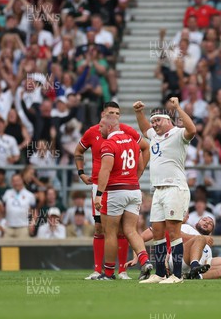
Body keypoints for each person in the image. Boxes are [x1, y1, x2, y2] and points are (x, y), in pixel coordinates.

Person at [75, 101, 150, 280]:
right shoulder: (95, 132)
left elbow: (106, 169)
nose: (116, 116)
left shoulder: (118, 136)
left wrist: (134, 176)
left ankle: (115, 271)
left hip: (111, 189)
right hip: (122, 188)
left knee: (114, 231)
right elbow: (78, 151)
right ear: (103, 115)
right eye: (112, 113)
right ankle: (101, 269)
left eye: (118, 113)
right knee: (103, 228)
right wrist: (81, 173)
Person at [134, 97, 199, 284]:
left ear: (168, 120)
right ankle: (160, 273)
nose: (154, 124)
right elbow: (145, 128)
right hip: (158, 190)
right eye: (153, 121)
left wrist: (178, 107)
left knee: (173, 231)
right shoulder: (154, 135)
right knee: (157, 233)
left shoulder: (179, 133)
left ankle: (176, 275)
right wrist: (139, 113)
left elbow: (193, 130)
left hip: (175, 187)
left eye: (158, 120)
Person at [94, 115, 153, 281]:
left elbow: (105, 171)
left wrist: (98, 195)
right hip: (134, 190)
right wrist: (133, 180)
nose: (99, 130)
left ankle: (109, 273)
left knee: (110, 232)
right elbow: (141, 164)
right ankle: (145, 260)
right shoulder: (132, 141)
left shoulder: (108, 144)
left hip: (115, 192)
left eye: (101, 126)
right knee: (130, 230)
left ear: (110, 127)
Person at [2, 174, 35, 238]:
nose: (16, 183)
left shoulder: (29, 195)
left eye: (17, 180)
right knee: (6, 247)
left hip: (23, 227)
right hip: (8, 227)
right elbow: (2, 209)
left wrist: (32, 223)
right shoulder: (7, 193)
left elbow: (35, 211)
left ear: (22, 181)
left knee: (24, 247)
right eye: (14, 181)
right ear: (11, 182)